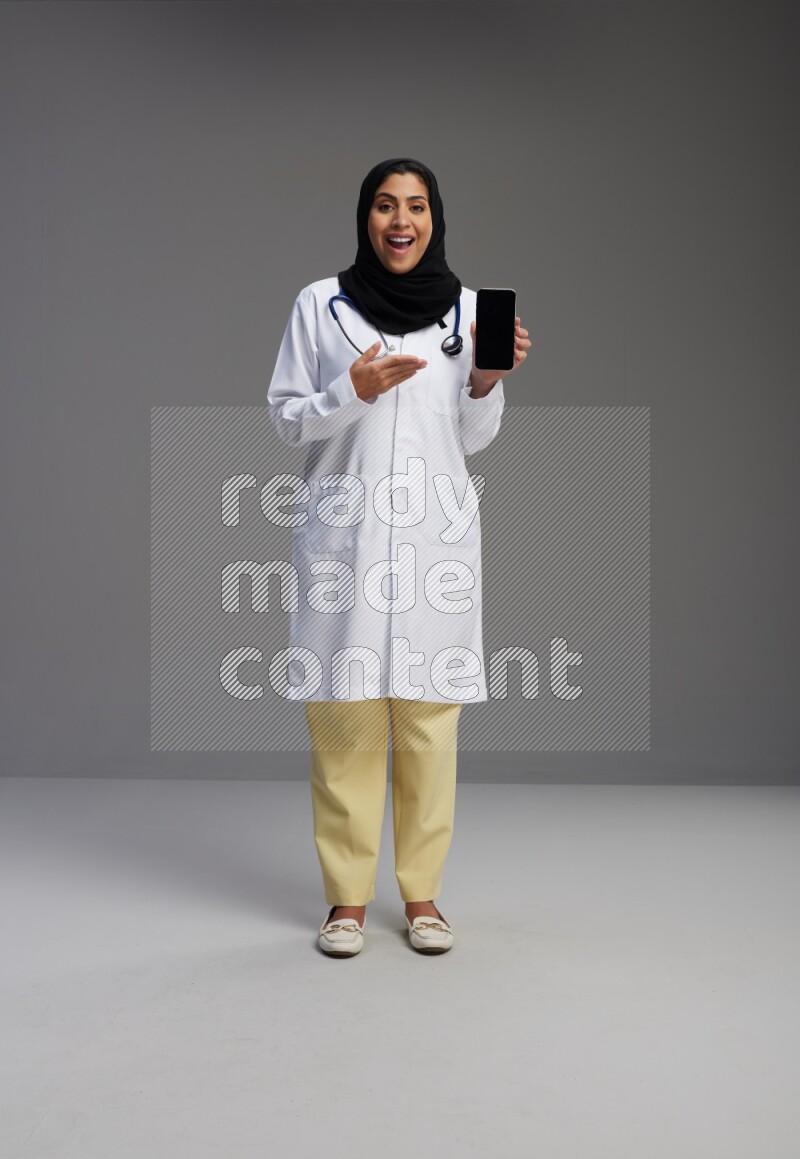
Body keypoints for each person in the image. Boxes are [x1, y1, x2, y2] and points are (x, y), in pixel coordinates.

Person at [266, 157, 530, 957]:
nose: (400, 220)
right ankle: (346, 901)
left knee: (427, 726)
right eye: (385, 205)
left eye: (415, 205)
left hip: (433, 544)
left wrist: (485, 381)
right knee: (344, 723)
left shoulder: (470, 308)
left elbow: (471, 440)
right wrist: (352, 388)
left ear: (435, 217)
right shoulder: (321, 304)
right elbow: (287, 420)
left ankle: (422, 897)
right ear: (366, 217)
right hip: (345, 539)